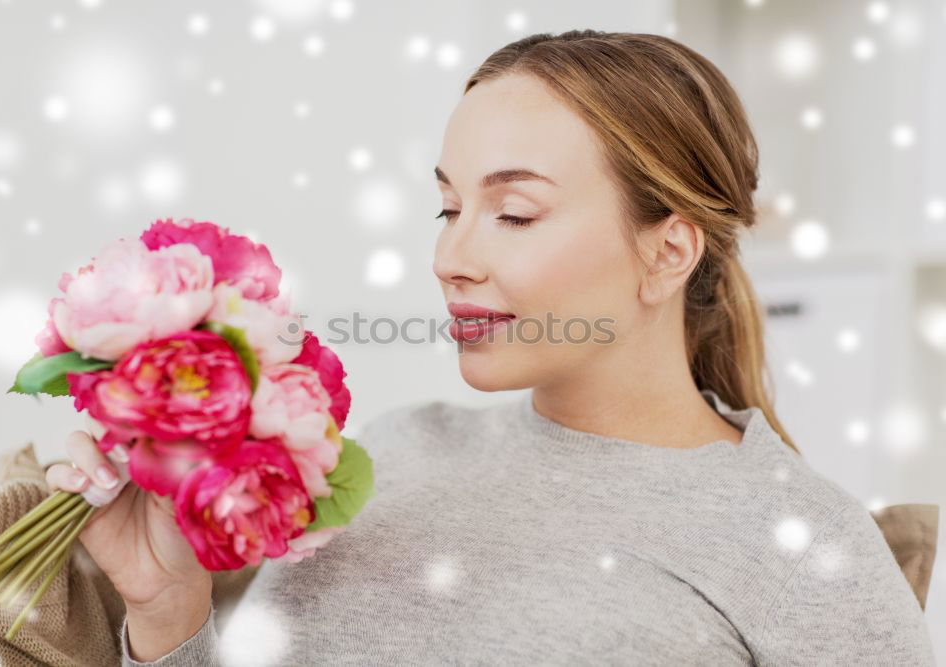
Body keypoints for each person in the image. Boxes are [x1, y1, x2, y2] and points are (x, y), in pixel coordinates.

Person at [45, 30, 936, 665]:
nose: (450, 258)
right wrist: (168, 619)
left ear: (669, 249)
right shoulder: (384, 457)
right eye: (448, 207)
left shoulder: (801, 544)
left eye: (513, 213)